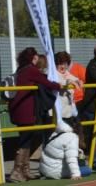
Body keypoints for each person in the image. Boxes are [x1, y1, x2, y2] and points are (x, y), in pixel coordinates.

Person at [8, 47, 61, 182]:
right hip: (26, 110)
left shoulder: (21, 69)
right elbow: (46, 82)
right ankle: (17, 171)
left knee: (27, 138)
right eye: (36, 57)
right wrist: (60, 86)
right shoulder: (31, 70)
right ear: (33, 58)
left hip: (18, 108)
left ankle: (25, 171)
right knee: (25, 139)